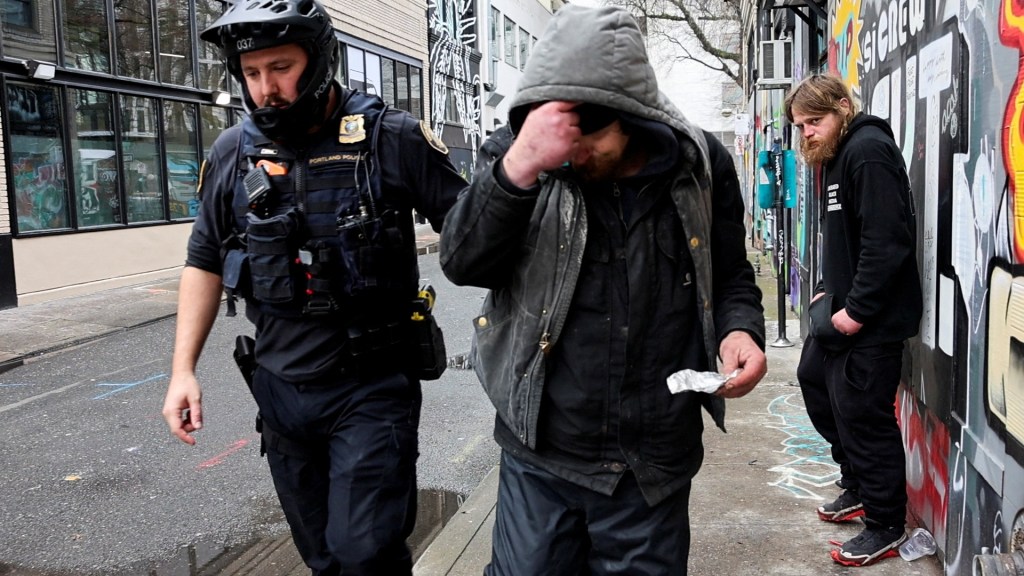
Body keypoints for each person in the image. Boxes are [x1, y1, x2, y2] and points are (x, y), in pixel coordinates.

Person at [439, 5, 767, 575]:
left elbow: (732, 272)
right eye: (554, 133)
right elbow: (462, 262)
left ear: (631, 117)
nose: (568, 150)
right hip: (542, 456)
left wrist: (741, 329)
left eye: (586, 136)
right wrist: (519, 167)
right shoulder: (518, 154)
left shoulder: (700, 165)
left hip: (652, 467)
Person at [160, 1, 466, 574]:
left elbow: (477, 236)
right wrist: (183, 370)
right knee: (324, 558)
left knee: (365, 554)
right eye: (251, 74)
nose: (265, 88)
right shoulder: (233, 151)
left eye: (280, 67)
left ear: (320, 59)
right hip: (280, 392)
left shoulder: (389, 137)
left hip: (370, 388)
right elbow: (202, 260)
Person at [786, 74, 922, 567]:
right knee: (812, 379)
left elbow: (887, 242)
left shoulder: (867, 151)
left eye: (815, 122)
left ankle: (885, 523)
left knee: (865, 416)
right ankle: (858, 484)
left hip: (872, 321)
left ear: (843, 108)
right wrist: (825, 288)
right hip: (840, 310)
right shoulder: (836, 156)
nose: (807, 134)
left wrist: (855, 313)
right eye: (801, 126)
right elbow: (842, 237)